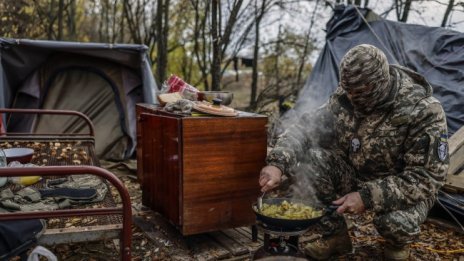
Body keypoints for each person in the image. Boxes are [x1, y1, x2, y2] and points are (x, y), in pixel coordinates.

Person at [259, 44, 449, 260]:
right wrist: (277, 162)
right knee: (313, 161)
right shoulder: (345, 98)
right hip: (355, 173)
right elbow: (305, 128)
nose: (352, 98)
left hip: (403, 187)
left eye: (360, 92)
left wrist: (367, 197)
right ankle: (335, 238)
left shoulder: (423, 109)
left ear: (379, 84)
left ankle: (397, 247)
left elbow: (428, 177)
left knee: (393, 223)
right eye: (348, 90)